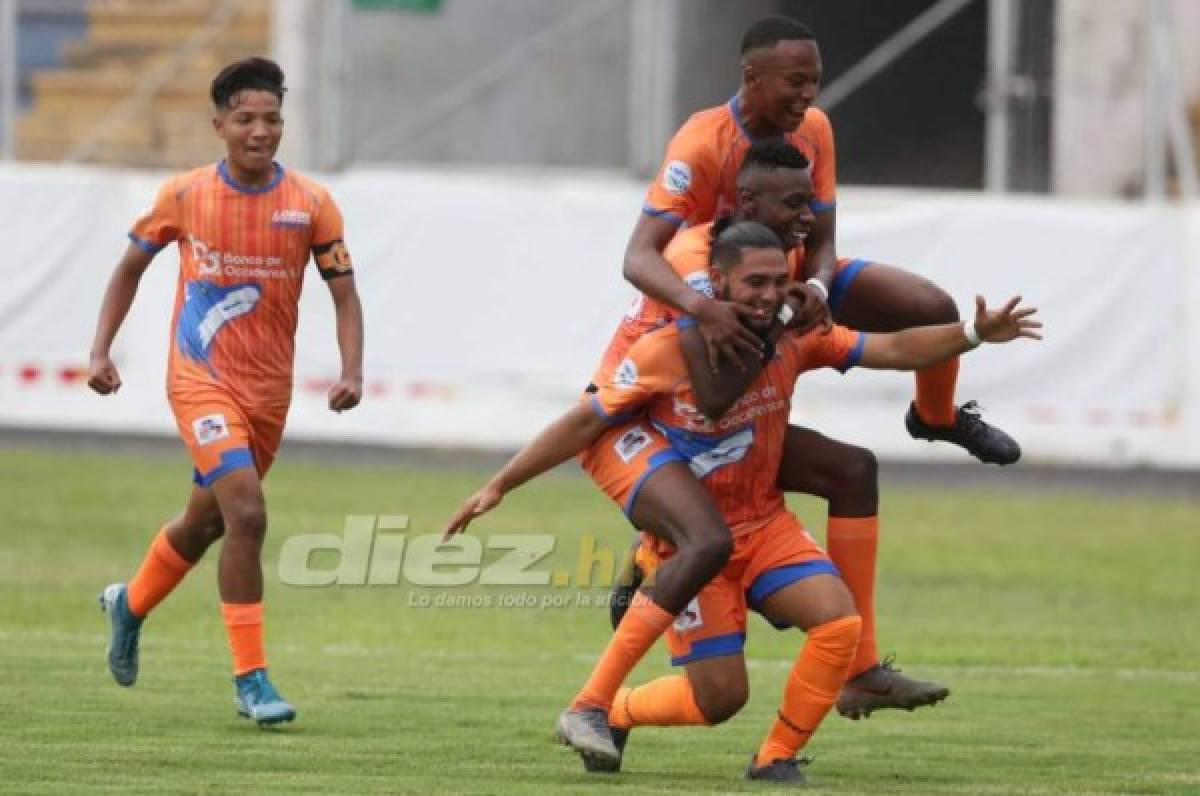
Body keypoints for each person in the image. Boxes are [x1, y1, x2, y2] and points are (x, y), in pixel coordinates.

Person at [445, 221, 1040, 784]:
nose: (769, 295)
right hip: (699, 543)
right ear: (719, 283)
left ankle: (776, 758)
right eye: (754, 282)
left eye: (779, 280)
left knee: (838, 622)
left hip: (763, 524)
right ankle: (616, 705)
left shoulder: (797, 335)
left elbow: (892, 348)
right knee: (719, 701)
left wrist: (973, 335)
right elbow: (584, 422)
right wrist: (499, 484)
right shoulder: (667, 349)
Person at [612, 16, 1020, 716]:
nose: (809, 95)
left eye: (815, 81)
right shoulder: (700, 143)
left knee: (930, 308)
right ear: (752, 78)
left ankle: (937, 417)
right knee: (755, 456)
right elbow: (639, 257)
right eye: (796, 82)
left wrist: (819, 292)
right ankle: (656, 558)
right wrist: (706, 309)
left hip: (788, 288)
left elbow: (823, 239)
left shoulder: (815, 132)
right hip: (719, 316)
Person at [86, 57, 364, 727]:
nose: (260, 131)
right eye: (246, 119)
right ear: (219, 125)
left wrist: (352, 369)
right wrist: (101, 349)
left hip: (268, 395)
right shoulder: (184, 195)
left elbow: (344, 294)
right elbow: (129, 267)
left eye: (271, 119)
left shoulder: (311, 204)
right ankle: (252, 681)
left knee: (206, 522)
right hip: (199, 379)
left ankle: (131, 603)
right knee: (248, 515)